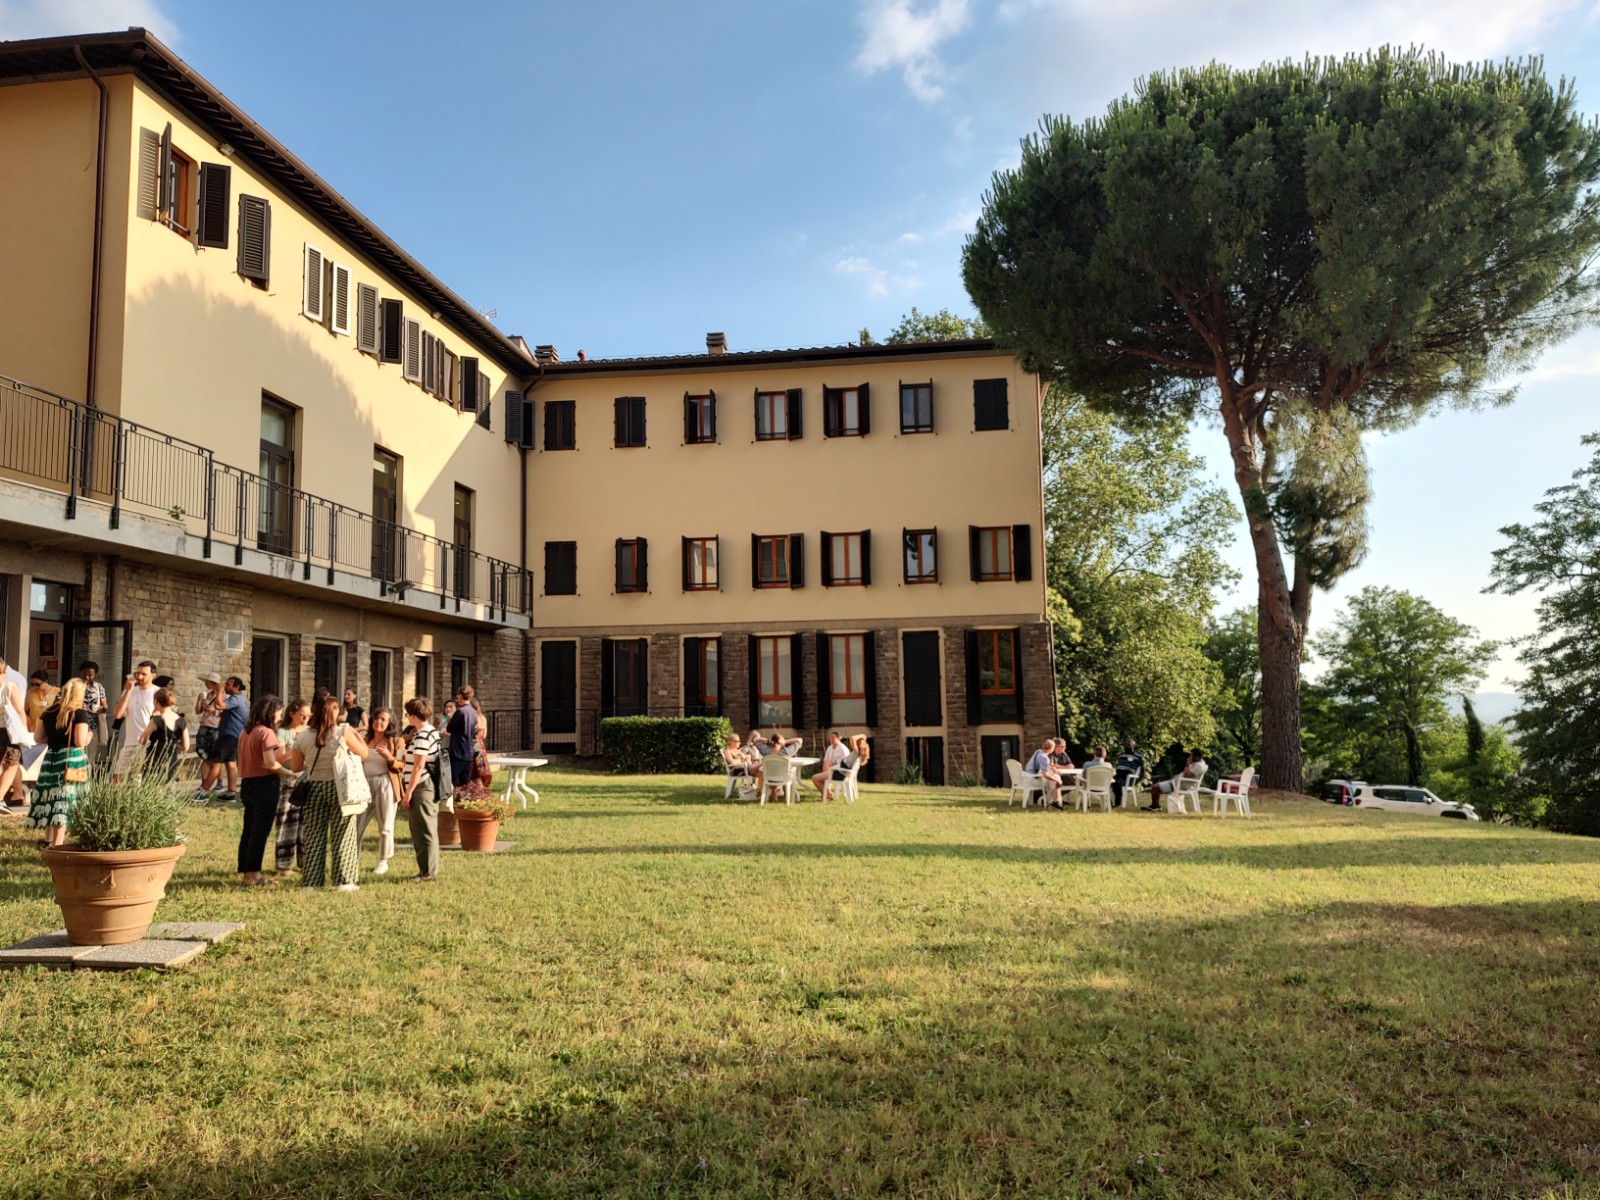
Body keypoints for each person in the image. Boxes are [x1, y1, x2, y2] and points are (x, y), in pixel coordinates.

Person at [287, 693, 370, 891]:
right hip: (339, 787)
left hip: (314, 787)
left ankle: (311, 882)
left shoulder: (303, 736)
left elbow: (296, 766)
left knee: (314, 835)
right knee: (344, 834)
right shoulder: (342, 731)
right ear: (336, 711)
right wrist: (355, 734)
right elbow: (364, 753)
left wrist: (314, 760)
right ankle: (344, 881)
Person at [26, 677, 93, 846]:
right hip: (72, 760)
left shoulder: (48, 712)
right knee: (64, 799)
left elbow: (38, 738)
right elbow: (80, 741)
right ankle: (58, 844)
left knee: (51, 797)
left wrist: (55, 740)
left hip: (51, 759)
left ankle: (48, 840)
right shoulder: (79, 713)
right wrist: (90, 736)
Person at [238, 696, 295, 887]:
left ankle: (246, 870)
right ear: (271, 713)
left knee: (248, 830)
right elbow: (270, 763)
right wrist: (289, 773)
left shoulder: (246, 732)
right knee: (260, 832)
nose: (280, 718)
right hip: (264, 784)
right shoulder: (266, 733)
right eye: (279, 714)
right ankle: (253, 875)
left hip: (247, 783)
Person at [399, 697, 442, 882]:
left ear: (413, 715)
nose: (407, 717)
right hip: (425, 784)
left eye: (407, 714)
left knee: (424, 830)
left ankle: (428, 873)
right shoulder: (429, 731)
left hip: (422, 786)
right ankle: (426, 870)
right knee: (422, 829)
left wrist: (408, 793)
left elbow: (418, 766)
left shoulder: (423, 735)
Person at [358, 708, 403, 876]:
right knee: (356, 823)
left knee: (385, 825)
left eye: (383, 719)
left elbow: (402, 765)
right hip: (364, 783)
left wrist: (389, 757)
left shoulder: (397, 742)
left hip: (385, 783)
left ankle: (383, 861)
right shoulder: (365, 740)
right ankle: (352, 857)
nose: (379, 722)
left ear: (390, 723)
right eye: (376, 718)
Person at [274, 698, 311, 875]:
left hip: (307, 781)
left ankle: (306, 862)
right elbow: (278, 758)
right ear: (292, 714)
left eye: (308, 716)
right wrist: (294, 749)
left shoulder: (309, 731)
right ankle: (284, 864)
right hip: (288, 783)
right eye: (302, 716)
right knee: (287, 823)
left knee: (307, 824)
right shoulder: (283, 733)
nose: (305, 719)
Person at [111, 660, 158, 782]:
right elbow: (117, 714)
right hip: (129, 742)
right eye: (137, 673)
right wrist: (128, 690)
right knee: (117, 777)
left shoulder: (157, 692)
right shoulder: (130, 691)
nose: (139, 677)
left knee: (136, 779)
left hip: (146, 742)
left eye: (144, 674)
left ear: (153, 676)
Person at [209, 675, 249, 800]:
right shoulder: (239, 699)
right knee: (230, 763)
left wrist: (219, 690)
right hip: (235, 735)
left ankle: (203, 791)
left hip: (229, 736)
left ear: (237, 687)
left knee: (216, 762)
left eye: (228, 685)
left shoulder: (236, 698)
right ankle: (231, 792)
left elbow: (219, 705)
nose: (225, 686)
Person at [138, 687, 189, 781]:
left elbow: (142, 739)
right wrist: (173, 745)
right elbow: (186, 747)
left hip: (155, 758)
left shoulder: (156, 720)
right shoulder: (181, 721)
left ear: (156, 701)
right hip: (171, 759)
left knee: (151, 785)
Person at [192, 674, 224, 797]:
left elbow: (225, 712)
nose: (205, 684)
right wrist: (200, 701)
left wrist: (215, 711)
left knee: (216, 757)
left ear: (213, 683)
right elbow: (198, 711)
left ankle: (219, 783)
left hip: (216, 727)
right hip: (204, 726)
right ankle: (204, 783)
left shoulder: (224, 696)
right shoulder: (207, 695)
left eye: (207, 682)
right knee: (204, 756)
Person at [445, 685, 478, 799]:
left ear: (460, 695)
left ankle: (455, 802)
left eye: (457, 695)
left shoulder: (460, 711)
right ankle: (466, 801)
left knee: (454, 779)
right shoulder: (473, 711)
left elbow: (450, 728)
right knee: (465, 781)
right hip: (468, 751)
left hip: (457, 750)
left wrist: (450, 719)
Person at [1025, 738, 1065, 808]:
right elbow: (1045, 774)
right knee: (1054, 780)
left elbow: (1043, 765)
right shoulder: (1044, 758)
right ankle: (1055, 802)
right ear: (1052, 749)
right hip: (1033, 779)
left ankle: (1051, 802)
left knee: (1053, 779)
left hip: (1027, 777)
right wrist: (1057, 780)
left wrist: (1052, 768)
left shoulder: (1038, 752)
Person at [811, 731, 849, 798]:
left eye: (833, 737)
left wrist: (834, 767)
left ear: (838, 738)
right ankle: (827, 792)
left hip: (840, 772)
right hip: (832, 770)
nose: (831, 739)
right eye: (830, 738)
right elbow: (826, 761)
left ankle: (827, 794)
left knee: (815, 778)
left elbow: (846, 763)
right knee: (826, 763)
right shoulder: (829, 748)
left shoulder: (843, 749)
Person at [1112, 738, 1145, 808]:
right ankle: (1107, 801)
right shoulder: (1121, 755)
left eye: (1128, 744)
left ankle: (1118, 802)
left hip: (1128, 776)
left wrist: (1137, 780)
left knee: (1116, 782)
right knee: (1107, 780)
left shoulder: (1138, 756)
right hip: (1119, 774)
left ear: (1134, 746)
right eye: (1125, 744)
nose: (1126, 746)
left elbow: (1142, 770)